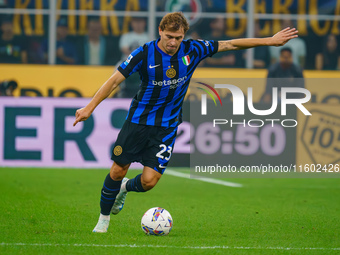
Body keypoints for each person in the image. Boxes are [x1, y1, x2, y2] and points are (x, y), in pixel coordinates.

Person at [73, 12, 298, 233]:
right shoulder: (144, 53)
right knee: (117, 170)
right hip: (138, 122)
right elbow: (114, 81)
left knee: (149, 181)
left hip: (168, 126)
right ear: (160, 31)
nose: (173, 42)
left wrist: (269, 41)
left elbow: (230, 45)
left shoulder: (193, 49)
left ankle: (123, 189)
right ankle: (103, 220)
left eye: (178, 38)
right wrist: (89, 108)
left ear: (184, 36)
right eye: (169, 36)